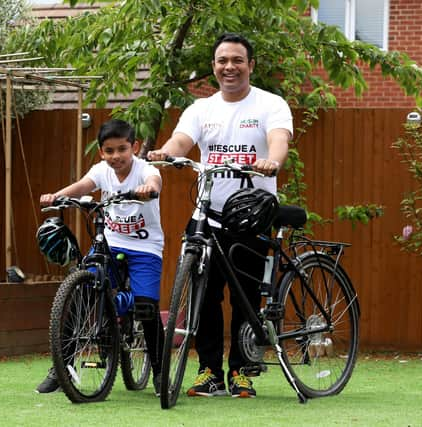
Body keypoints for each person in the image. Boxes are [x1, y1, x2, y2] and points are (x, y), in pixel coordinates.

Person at [147, 33, 293, 399]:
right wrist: (166, 152)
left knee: (244, 295)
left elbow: (279, 139)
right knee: (204, 295)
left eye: (237, 60)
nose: (229, 67)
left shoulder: (270, 104)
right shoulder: (201, 109)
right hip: (209, 214)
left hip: (251, 215)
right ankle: (209, 370)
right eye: (222, 61)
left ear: (250, 65)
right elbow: (181, 141)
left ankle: (242, 372)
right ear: (214, 66)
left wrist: (271, 161)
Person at [36, 118, 165, 396]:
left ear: (135, 147)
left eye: (122, 149)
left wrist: (148, 189)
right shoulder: (101, 171)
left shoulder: (146, 170)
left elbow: (153, 182)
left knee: (146, 307)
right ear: (101, 152)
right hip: (110, 242)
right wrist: (57, 196)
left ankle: (160, 371)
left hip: (145, 248)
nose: (116, 156)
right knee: (81, 290)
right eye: (109, 151)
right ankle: (62, 367)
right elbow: (83, 186)